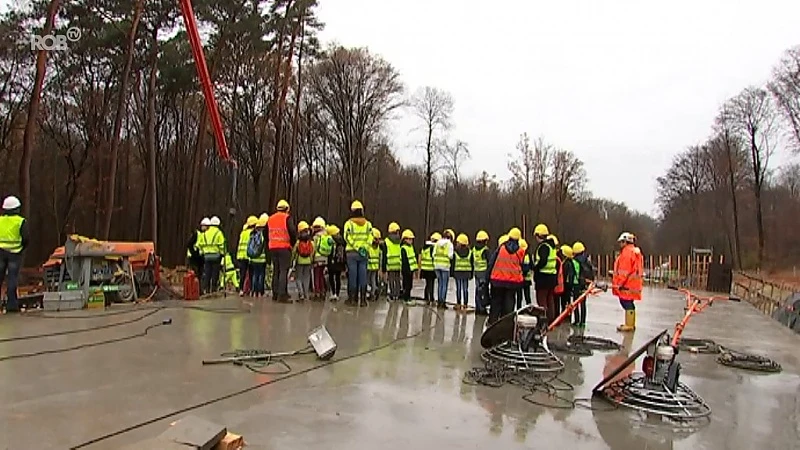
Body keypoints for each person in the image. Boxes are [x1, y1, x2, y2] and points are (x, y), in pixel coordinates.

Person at [486, 228, 525, 325]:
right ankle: (505, 324)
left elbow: (492, 263)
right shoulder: (521, 251)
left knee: (495, 303)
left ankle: (492, 323)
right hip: (513, 282)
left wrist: (487, 279)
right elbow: (522, 267)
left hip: (497, 280)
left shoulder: (501, 248)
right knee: (509, 304)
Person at [0, 196, 28, 313]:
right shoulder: (21, 221)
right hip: (15, 253)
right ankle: (12, 305)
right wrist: (21, 248)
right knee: (12, 279)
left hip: (0, 252)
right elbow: (26, 238)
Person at [266, 199, 297, 302]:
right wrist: (292, 243)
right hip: (284, 247)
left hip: (273, 247)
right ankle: (282, 295)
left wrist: (269, 242)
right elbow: (292, 231)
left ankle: (275, 294)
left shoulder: (270, 219)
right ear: (287, 209)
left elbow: (265, 233)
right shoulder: (287, 218)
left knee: (276, 270)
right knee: (284, 271)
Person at [343, 200, 373, 306]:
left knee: (353, 275)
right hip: (363, 253)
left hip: (352, 253)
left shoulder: (349, 224)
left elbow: (347, 237)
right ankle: (363, 300)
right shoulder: (368, 224)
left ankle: (352, 299)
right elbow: (370, 237)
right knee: (363, 275)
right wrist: (364, 247)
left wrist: (356, 247)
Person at [613, 232, 643, 332]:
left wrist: (619, 284)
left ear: (625, 242)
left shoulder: (626, 253)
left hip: (627, 284)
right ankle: (630, 324)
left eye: (621, 242)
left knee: (626, 302)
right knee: (629, 303)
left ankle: (629, 325)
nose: (620, 244)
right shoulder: (635, 252)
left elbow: (624, 271)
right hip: (633, 283)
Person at [531, 224, 558, 325]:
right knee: (550, 299)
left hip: (543, 277)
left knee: (542, 301)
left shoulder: (543, 247)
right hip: (551, 277)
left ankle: (544, 320)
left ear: (538, 235)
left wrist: (535, 268)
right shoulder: (552, 246)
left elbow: (543, 261)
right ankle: (551, 320)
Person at [198, 215, 225, 294]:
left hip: (206, 256)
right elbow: (222, 245)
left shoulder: (205, 233)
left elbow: (200, 244)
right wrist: (222, 253)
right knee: (215, 273)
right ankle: (213, 289)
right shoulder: (219, 233)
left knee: (207, 273)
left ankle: (206, 288)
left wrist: (203, 252)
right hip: (216, 256)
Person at [572, 241, 593, 327]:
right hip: (585, 284)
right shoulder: (587, 260)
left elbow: (575, 273)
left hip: (577, 284)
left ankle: (577, 321)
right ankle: (583, 322)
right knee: (583, 304)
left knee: (575, 302)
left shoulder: (575, 261)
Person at [311, 217, 333, 300]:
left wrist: (312, 258)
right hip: (324, 259)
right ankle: (323, 291)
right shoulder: (327, 236)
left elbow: (314, 248)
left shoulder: (316, 237)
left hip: (317, 258)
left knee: (316, 276)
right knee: (321, 276)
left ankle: (317, 292)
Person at [292, 220, 314, 302]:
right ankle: (306, 294)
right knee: (306, 278)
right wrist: (312, 260)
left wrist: (292, 260)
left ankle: (301, 294)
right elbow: (312, 251)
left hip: (299, 262)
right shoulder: (310, 241)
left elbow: (294, 251)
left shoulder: (298, 242)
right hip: (308, 261)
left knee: (298, 278)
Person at [433, 229, 455, 309]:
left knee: (440, 284)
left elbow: (433, 254)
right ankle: (443, 302)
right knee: (444, 284)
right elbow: (450, 256)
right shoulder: (449, 244)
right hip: (445, 267)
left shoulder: (437, 243)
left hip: (437, 266)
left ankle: (439, 301)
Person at [236, 216, 257, 296]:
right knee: (251, 273)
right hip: (249, 256)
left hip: (241, 255)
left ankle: (241, 289)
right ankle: (250, 289)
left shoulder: (243, 233)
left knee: (243, 274)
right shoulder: (252, 233)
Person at [248, 215, 268, 297]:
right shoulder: (264, 236)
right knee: (261, 276)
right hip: (262, 259)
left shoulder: (252, 234)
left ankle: (253, 291)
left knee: (254, 275)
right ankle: (260, 292)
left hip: (253, 258)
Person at [382, 222, 402, 301]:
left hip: (390, 264)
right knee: (397, 280)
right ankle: (397, 295)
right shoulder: (399, 241)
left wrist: (383, 267)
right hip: (398, 264)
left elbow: (384, 255)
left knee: (391, 280)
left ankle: (392, 295)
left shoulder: (386, 241)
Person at [453, 233, 473, 311]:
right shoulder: (470, 252)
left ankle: (458, 303)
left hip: (457, 272)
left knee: (458, 288)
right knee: (465, 289)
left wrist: (452, 273)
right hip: (467, 272)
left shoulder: (455, 252)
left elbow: (453, 263)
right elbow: (472, 263)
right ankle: (465, 304)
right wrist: (471, 274)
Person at [473, 230, 490, 315]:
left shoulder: (474, 249)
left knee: (477, 290)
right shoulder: (485, 250)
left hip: (476, 272)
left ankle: (477, 308)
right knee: (483, 291)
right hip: (483, 272)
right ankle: (482, 309)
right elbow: (489, 261)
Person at [327, 225, 346, 301]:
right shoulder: (342, 240)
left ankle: (333, 293)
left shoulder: (330, 240)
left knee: (331, 278)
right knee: (338, 278)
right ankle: (337, 294)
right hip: (339, 262)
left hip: (332, 261)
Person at [420, 232, 440, 305]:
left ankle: (426, 297)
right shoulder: (433, 248)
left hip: (424, 268)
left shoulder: (425, 247)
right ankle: (431, 298)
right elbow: (433, 258)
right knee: (431, 284)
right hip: (431, 268)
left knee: (428, 284)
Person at [186, 218, 207, 285]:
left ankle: (198, 290)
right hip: (193, 257)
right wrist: (194, 253)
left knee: (200, 275)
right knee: (194, 274)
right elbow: (189, 244)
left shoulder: (204, 235)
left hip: (199, 258)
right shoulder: (196, 234)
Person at [400, 229, 417, 305]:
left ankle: (408, 297)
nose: (411, 241)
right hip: (406, 270)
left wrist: (415, 268)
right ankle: (406, 298)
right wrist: (407, 270)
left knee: (410, 285)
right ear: (405, 239)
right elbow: (404, 261)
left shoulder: (411, 247)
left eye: (411, 239)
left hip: (411, 269)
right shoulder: (403, 248)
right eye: (409, 239)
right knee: (407, 285)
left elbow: (413, 258)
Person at [560, 245, 576, 319]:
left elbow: (564, 275)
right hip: (568, 285)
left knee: (565, 301)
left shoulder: (566, 264)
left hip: (566, 285)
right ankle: (567, 315)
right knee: (567, 300)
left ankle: (565, 315)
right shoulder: (570, 263)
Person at [516, 238, 533, 309]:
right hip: (526, 279)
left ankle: (519, 310)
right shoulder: (528, 255)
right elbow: (532, 266)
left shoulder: (517, 255)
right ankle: (529, 309)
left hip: (520, 279)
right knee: (526, 296)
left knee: (520, 297)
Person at [367, 228, 383, 300]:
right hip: (375, 266)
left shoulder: (369, 246)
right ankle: (374, 291)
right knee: (373, 279)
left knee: (367, 280)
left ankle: (371, 292)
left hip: (369, 266)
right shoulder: (378, 246)